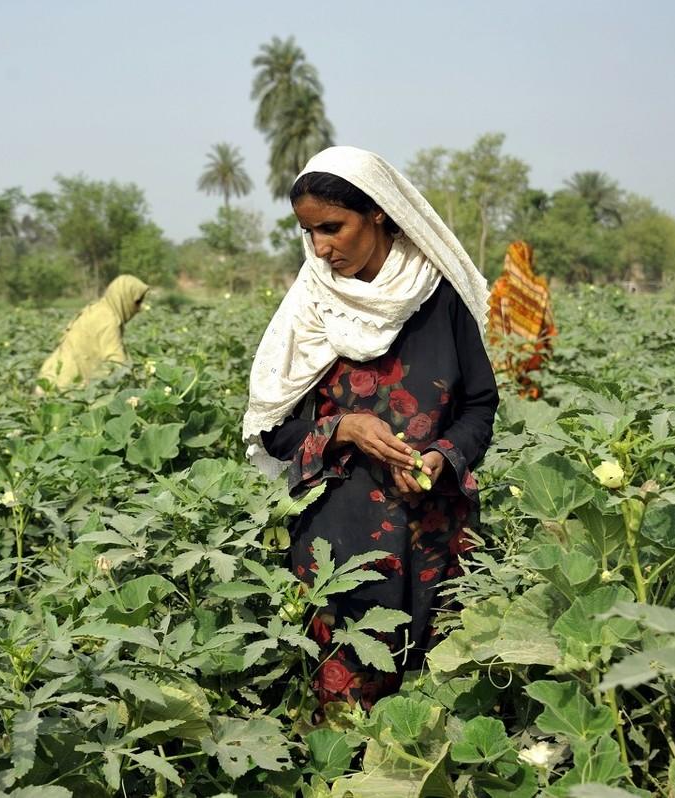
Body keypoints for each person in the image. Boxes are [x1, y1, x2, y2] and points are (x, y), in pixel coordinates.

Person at [244, 147, 498, 711]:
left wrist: (444, 455)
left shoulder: (438, 297)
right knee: (344, 711)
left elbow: (480, 404)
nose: (321, 248)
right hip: (342, 544)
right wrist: (343, 428)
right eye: (309, 233)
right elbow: (273, 430)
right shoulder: (311, 307)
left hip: (436, 532)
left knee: (441, 701)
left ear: (379, 213)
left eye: (333, 228)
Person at [37, 275, 148, 391]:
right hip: (65, 386)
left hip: (49, 377)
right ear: (123, 298)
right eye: (137, 302)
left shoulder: (97, 308)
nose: (138, 308)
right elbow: (117, 362)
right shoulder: (109, 320)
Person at [486, 240, 557, 399]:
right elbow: (548, 323)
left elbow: (494, 322)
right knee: (531, 396)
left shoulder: (500, 286)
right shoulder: (539, 288)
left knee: (508, 394)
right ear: (528, 258)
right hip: (533, 352)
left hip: (507, 351)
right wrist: (550, 347)